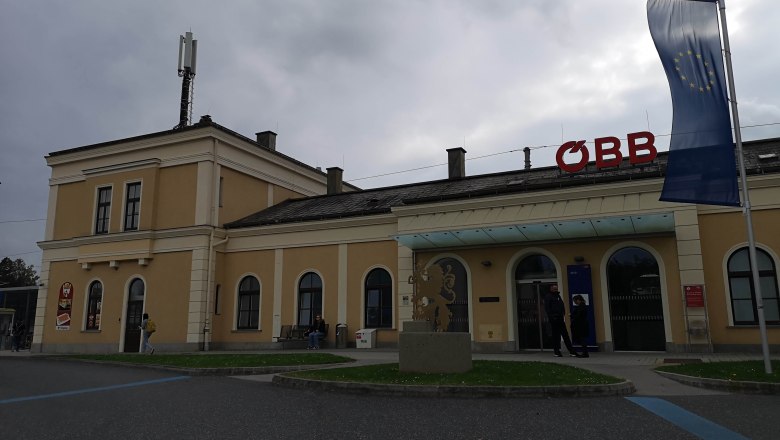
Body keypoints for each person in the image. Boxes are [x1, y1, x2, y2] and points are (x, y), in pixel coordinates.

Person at [543, 284, 577, 357]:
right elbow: (547, 308)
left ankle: (571, 351)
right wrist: (552, 317)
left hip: (560, 319)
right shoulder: (548, 297)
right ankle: (557, 351)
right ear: (551, 289)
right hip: (554, 319)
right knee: (556, 336)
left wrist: (563, 314)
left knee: (565, 335)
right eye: (554, 289)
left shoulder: (558, 296)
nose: (556, 290)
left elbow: (561, 305)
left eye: (556, 289)